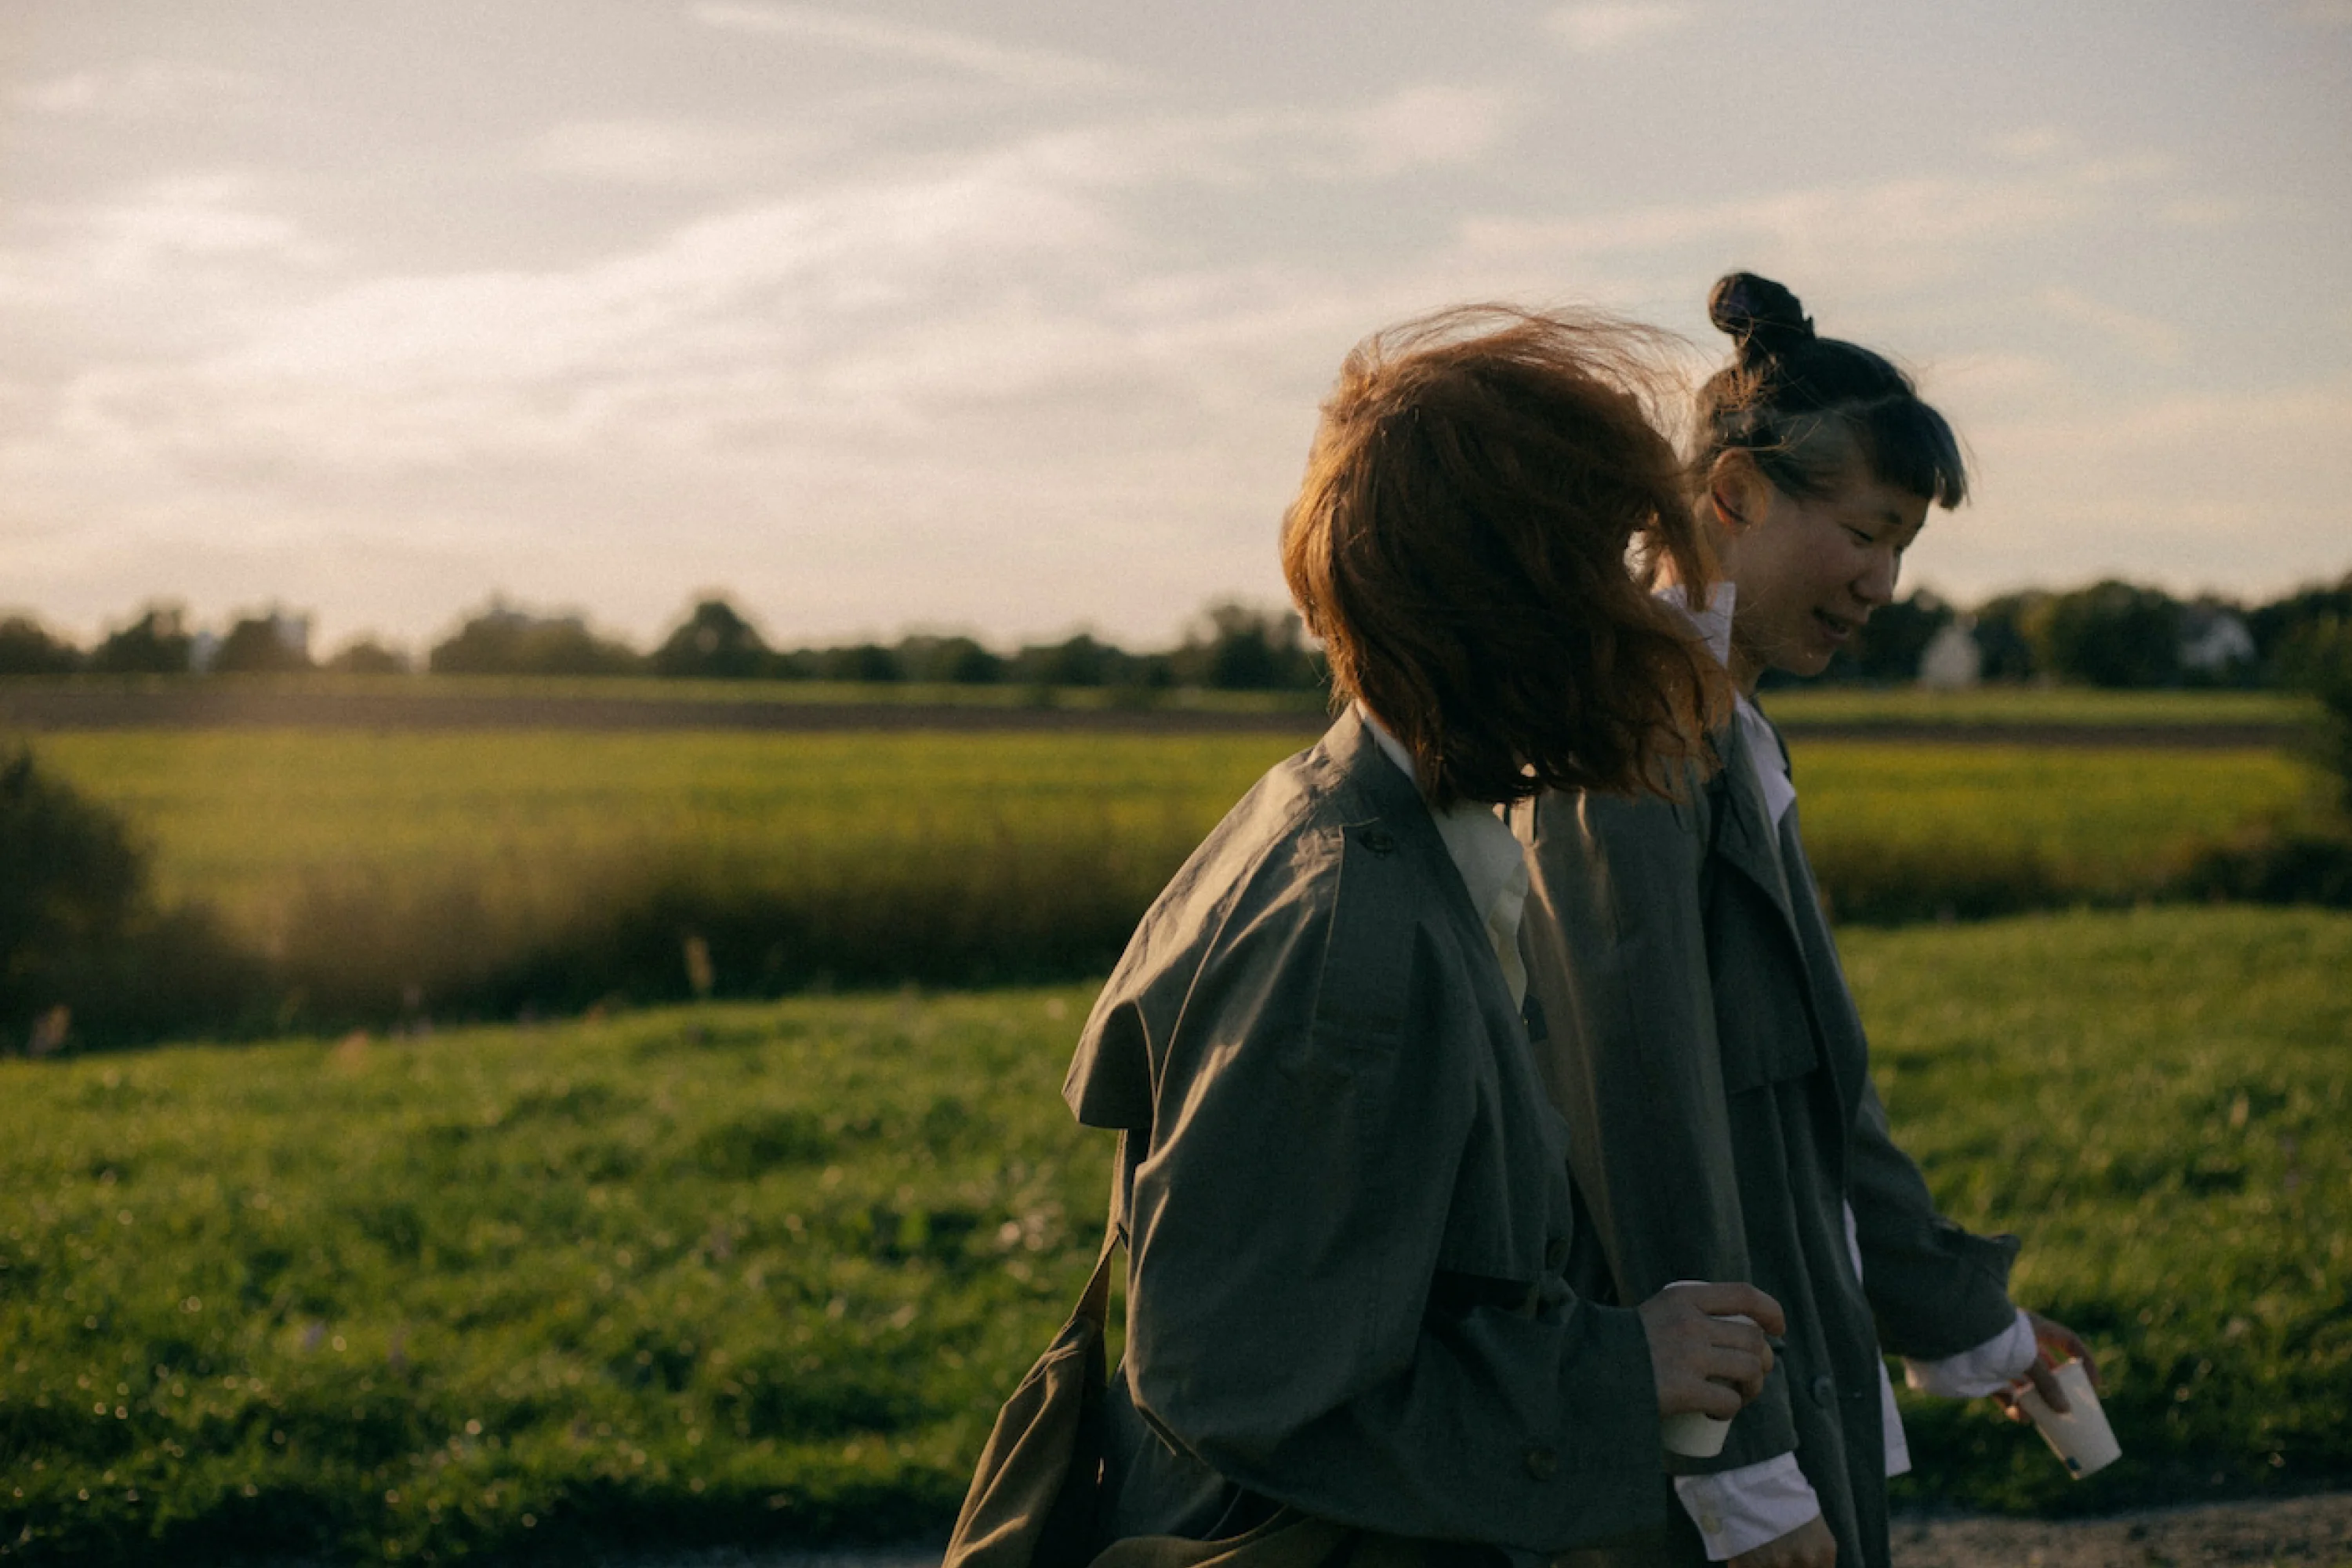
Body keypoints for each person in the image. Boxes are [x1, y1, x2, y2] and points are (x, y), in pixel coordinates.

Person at [1062, 306, 1785, 1566]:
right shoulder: (1353, 936)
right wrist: (1623, 1372)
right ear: (1512, 606)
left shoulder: (1365, 817)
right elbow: (1233, 1380)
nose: (1661, 615)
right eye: (1613, 569)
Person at [1514, 273, 2098, 1568]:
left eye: (1905, 548)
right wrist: (1742, 1480)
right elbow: (1641, 1124)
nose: (1885, 583)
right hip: (1696, 1462)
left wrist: (1975, 1327)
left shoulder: (1734, 740)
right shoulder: (1629, 747)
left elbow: (1813, 1116)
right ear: (1732, 497)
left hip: (1785, 1388)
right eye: (1867, 532)